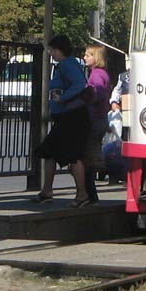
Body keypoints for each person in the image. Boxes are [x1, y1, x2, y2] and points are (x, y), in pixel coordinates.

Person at [32, 35, 91, 207]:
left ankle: (82, 194)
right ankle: (47, 190)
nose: (50, 53)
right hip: (66, 117)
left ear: (59, 50)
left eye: (52, 50)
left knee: (73, 155)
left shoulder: (67, 65)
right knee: (49, 151)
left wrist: (63, 98)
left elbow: (80, 84)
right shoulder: (66, 65)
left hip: (73, 118)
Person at [81, 44, 111, 205]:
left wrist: (84, 97)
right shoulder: (101, 73)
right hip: (101, 119)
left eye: (88, 55)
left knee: (87, 156)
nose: (85, 57)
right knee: (91, 154)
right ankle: (90, 194)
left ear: (96, 57)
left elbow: (96, 93)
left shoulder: (97, 75)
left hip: (94, 119)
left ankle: (90, 195)